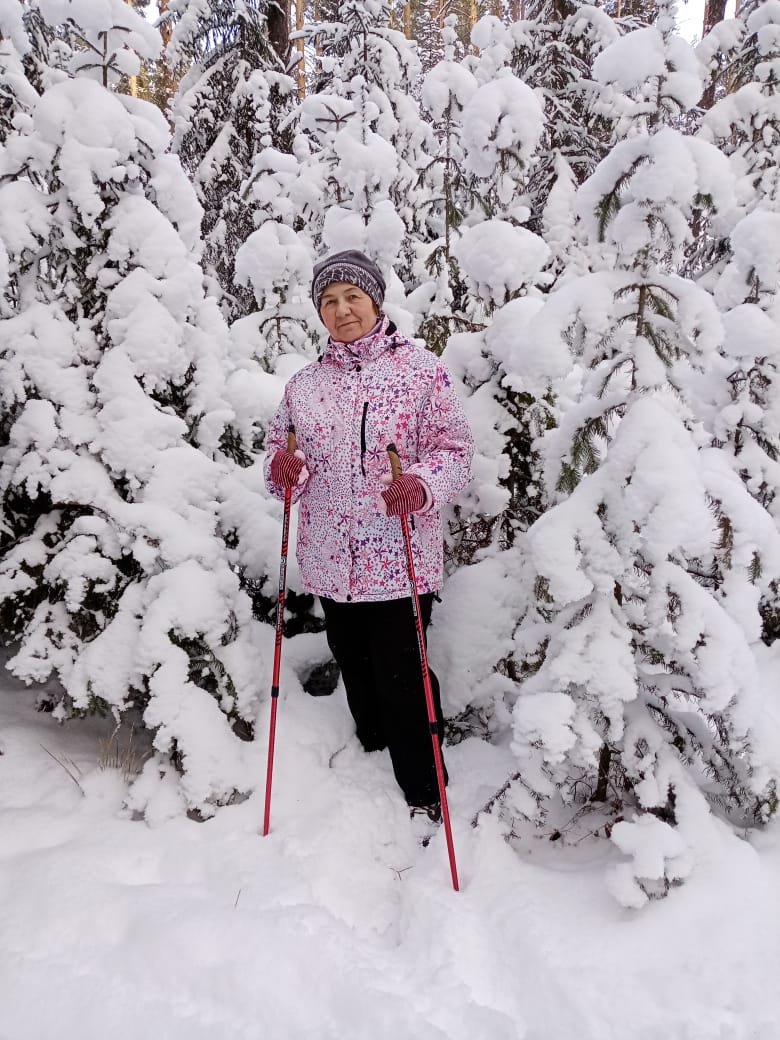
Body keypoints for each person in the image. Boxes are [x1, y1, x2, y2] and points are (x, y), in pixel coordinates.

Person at [264, 249, 474, 822]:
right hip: (330, 557)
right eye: (329, 301)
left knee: (403, 672)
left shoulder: (420, 371)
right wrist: (287, 471)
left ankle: (425, 787)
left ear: (376, 301)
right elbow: (283, 451)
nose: (341, 310)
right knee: (353, 660)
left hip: (398, 558)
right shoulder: (304, 386)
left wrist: (422, 484)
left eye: (352, 297)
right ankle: (373, 743)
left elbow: (455, 451)